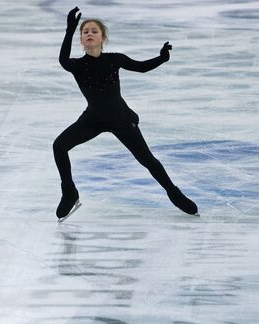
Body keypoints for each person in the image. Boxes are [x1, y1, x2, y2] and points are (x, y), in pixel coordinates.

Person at [53, 7, 198, 221]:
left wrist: (162, 58)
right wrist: (69, 29)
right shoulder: (77, 65)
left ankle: (173, 193)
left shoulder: (114, 59)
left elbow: (141, 67)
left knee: (147, 160)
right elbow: (63, 60)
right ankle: (69, 192)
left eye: (94, 31)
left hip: (120, 119)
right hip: (92, 119)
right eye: (85, 32)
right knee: (59, 146)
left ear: (103, 37)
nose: (89, 34)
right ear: (81, 40)